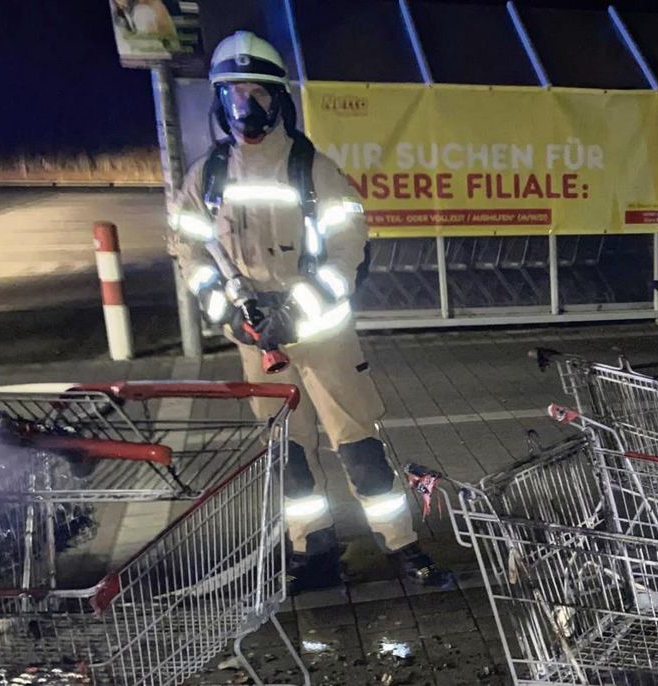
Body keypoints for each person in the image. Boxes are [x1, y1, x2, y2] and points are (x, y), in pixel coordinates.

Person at [169, 31, 451, 591]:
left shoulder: (312, 169)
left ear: (280, 100)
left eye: (258, 93)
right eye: (234, 93)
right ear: (220, 101)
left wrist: (297, 310)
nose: (246, 106)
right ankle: (313, 551)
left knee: (359, 446)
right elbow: (189, 249)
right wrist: (223, 310)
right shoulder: (207, 177)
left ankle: (402, 548)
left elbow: (349, 250)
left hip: (321, 335)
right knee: (289, 452)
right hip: (256, 340)